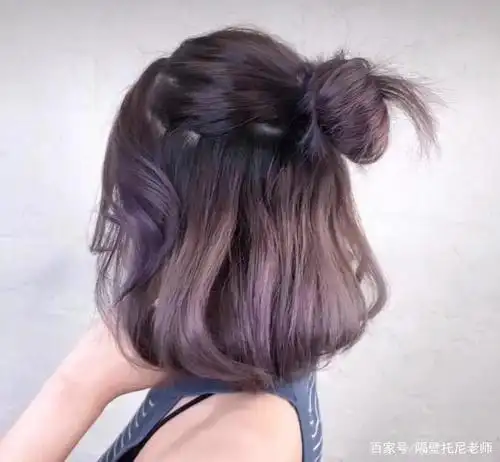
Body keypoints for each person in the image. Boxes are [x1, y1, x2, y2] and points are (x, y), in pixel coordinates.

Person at [0, 27, 436, 462]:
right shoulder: (242, 358)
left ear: (178, 224)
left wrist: (77, 387)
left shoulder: (226, 449)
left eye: (134, 203)